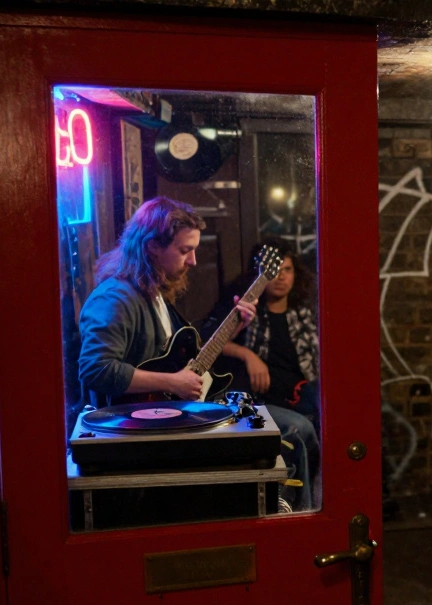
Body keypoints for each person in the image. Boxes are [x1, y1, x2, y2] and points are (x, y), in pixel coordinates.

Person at [78, 196, 255, 405]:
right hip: (132, 428)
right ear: (153, 246)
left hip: (160, 416)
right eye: (184, 250)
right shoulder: (114, 299)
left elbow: (176, 362)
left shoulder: (153, 291)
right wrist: (172, 383)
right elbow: (95, 369)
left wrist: (234, 328)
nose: (193, 261)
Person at [203, 237, 320, 510]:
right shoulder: (246, 312)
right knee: (301, 429)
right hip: (260, 399)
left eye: (287, 270)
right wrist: (248, 354)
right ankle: (301, 512)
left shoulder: (306, 313)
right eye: (274, 271)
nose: (280, 278)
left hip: (301, 395)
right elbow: (208, 341)